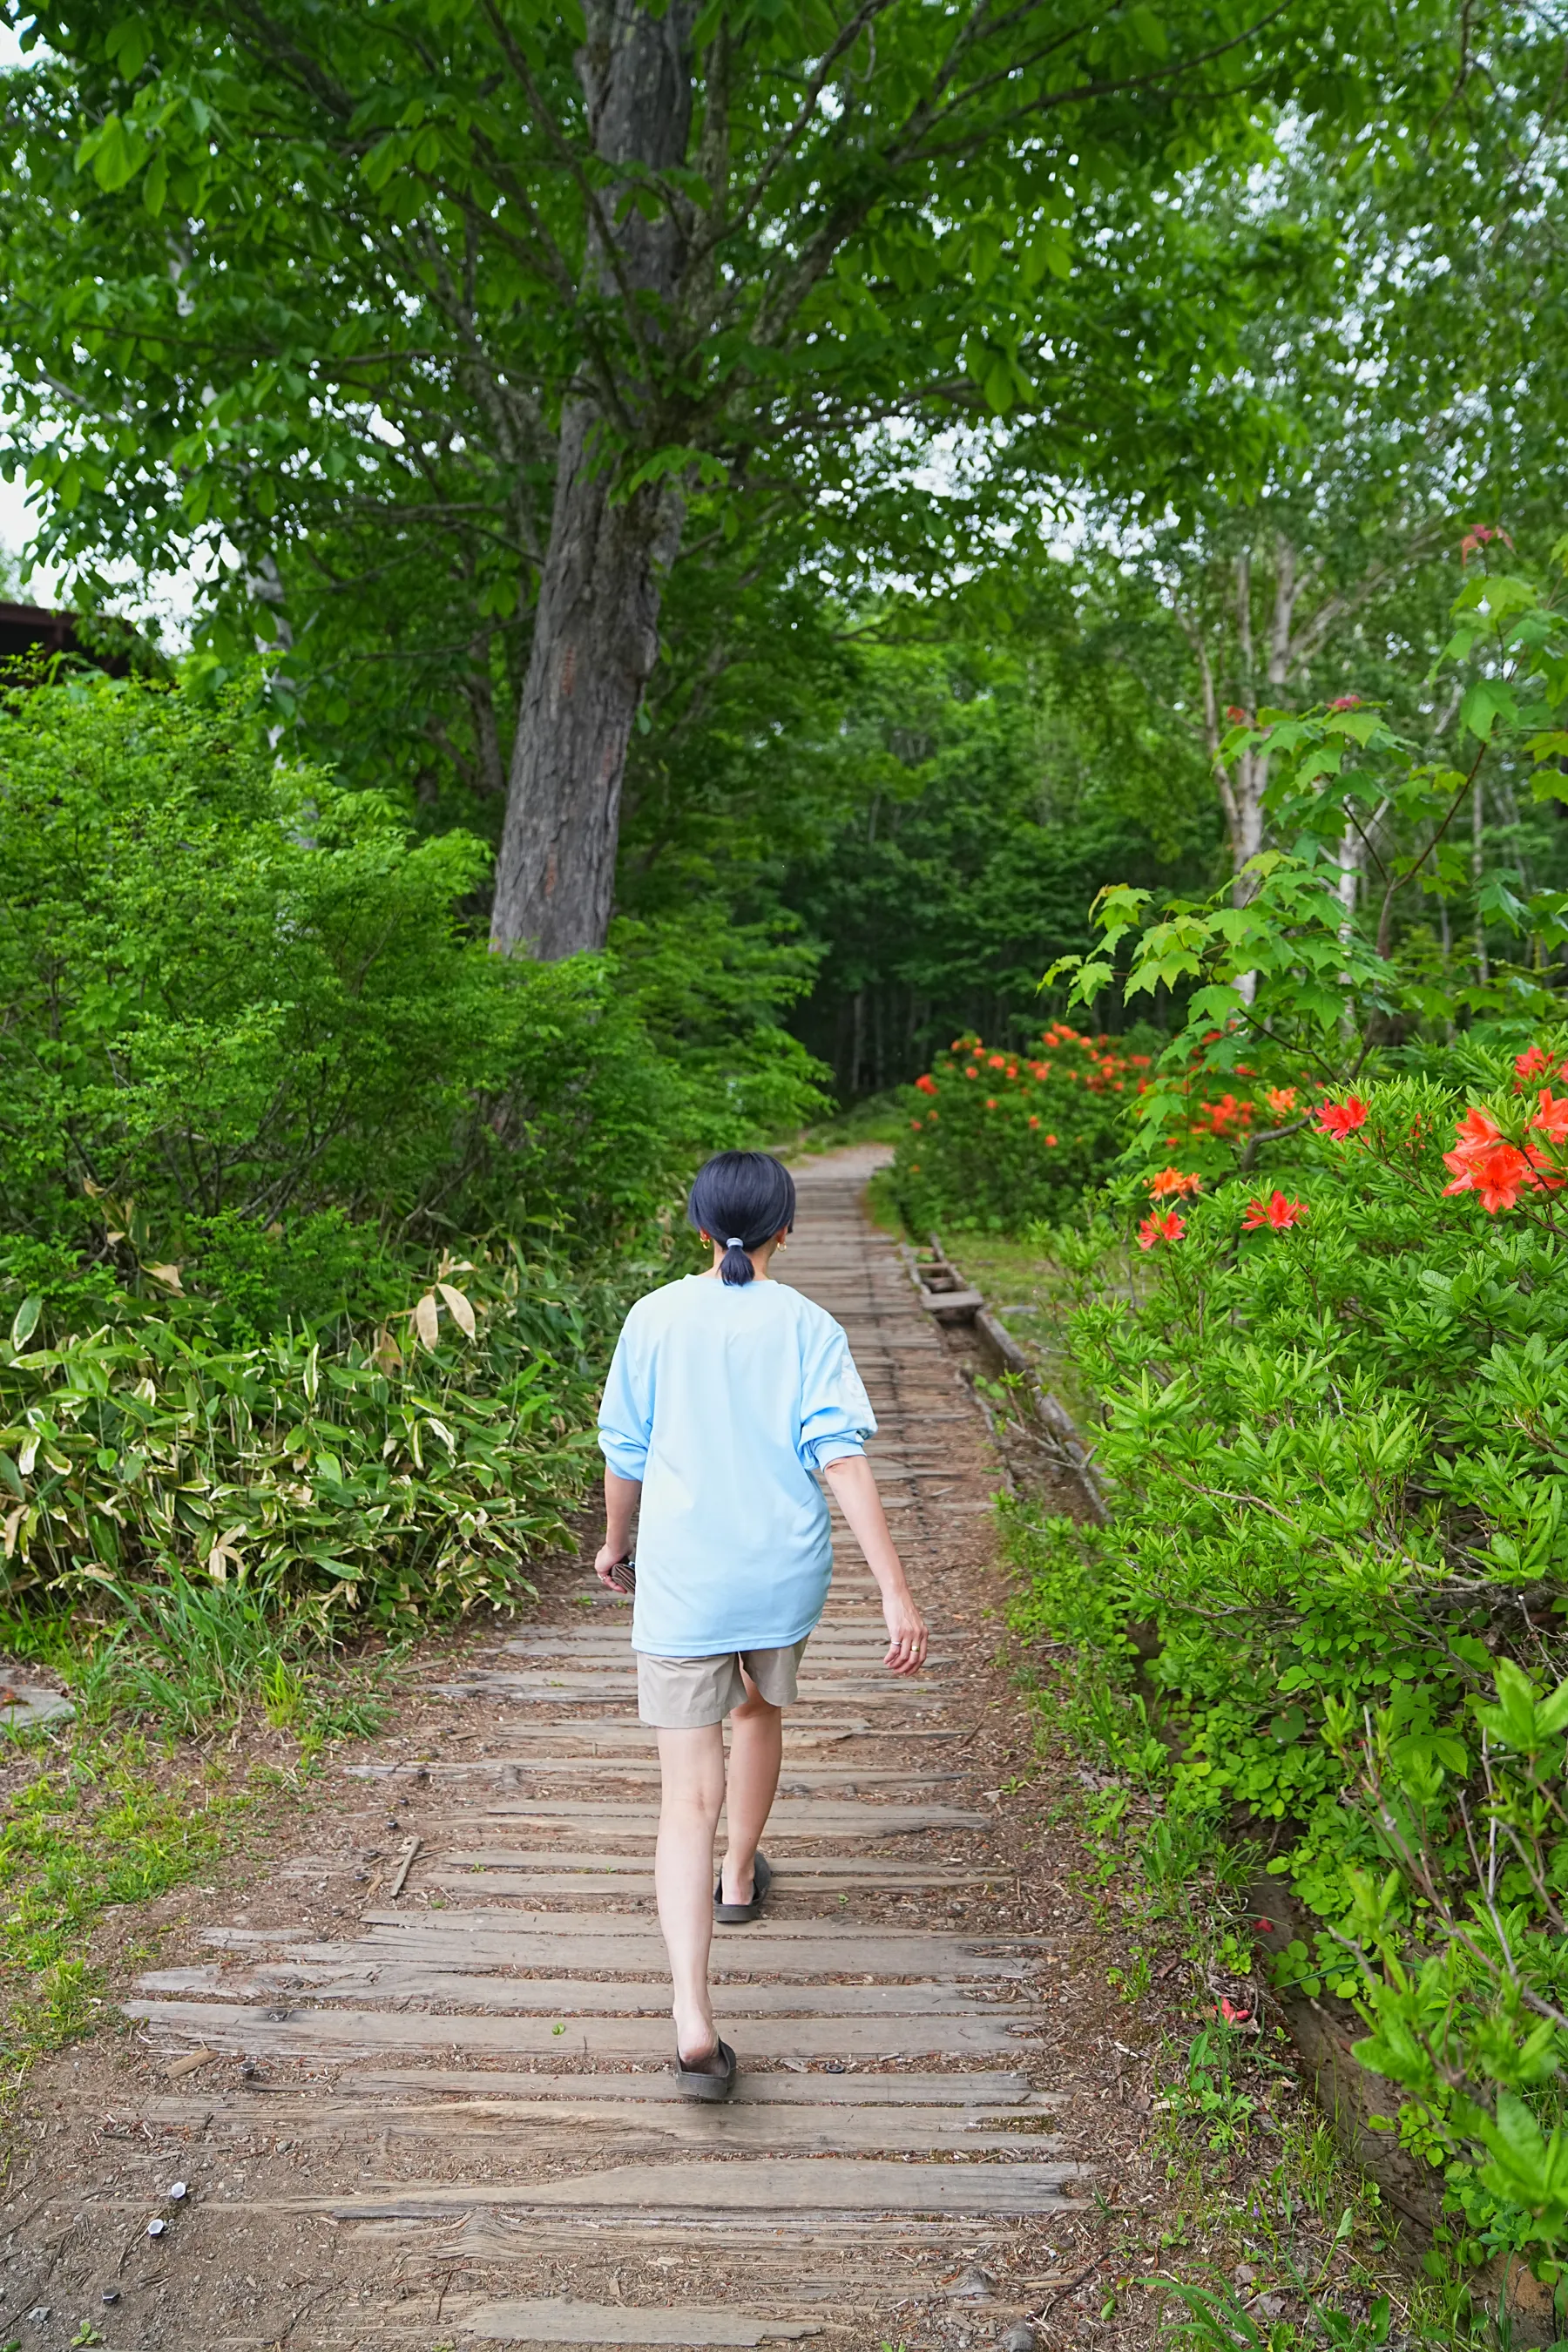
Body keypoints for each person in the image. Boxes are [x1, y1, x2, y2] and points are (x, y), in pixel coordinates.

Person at [595, 1149, 928, 2100]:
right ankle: (739, 1878)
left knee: (681, 1802)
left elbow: (627, 1451)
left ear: (697, 1228)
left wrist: (616, 1542)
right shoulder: (808, 1325)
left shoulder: (654, 1318)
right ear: (787, 1229)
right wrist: (895, 1591)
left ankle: (693, 2021)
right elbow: (843, 1461)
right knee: (758, 1714)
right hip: (780, 1577)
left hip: (685, 1580)